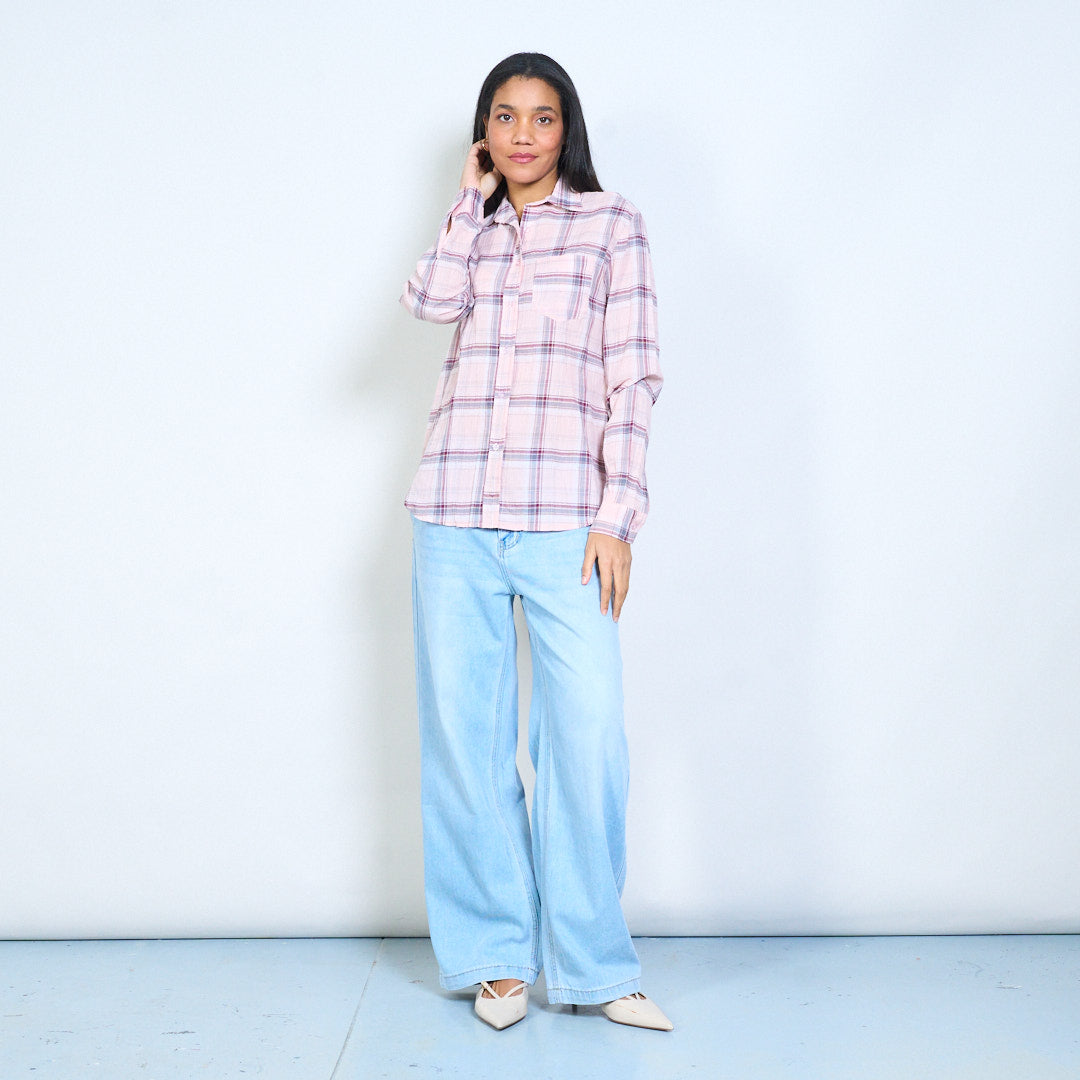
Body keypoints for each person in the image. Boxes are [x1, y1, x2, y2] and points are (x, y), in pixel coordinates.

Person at [401, 52, 670, 1032]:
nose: (523, 134)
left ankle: (596, 967)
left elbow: (632, 376)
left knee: (587, 738)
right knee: (466, 745)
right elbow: (428, 303)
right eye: (505, 117)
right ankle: (496, 960)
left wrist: (617, 517)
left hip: (567, 522)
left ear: (568, 129)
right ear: (484, 133)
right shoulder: (474, 228)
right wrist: (466, 204)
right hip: (453, 512)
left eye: (542, 117)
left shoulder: (611, 224)